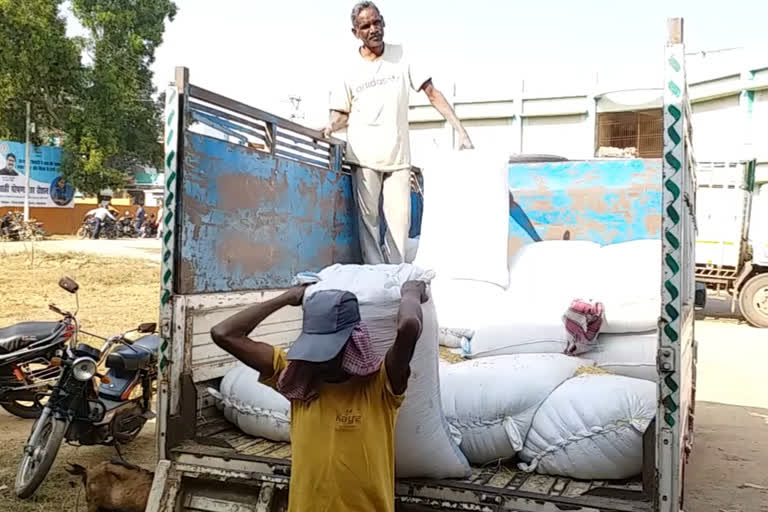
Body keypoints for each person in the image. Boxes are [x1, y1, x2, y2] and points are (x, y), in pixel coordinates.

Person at [210, 281, 428, 512]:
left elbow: (409, 327)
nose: (321, 361)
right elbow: (223, 334)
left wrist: (411, 291)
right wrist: (287, 298)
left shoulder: (379, 385)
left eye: (329, 351)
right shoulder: (299, 380)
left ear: (354, 342)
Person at [323, 1, 474, 265]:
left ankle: (395, 278)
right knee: (368, 224)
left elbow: (432, 93)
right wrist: (327, 127)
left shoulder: (402, 56)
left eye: (376, 22)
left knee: (399, 225)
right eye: (365, 26)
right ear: (355, 32)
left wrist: (460, 130)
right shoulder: (348, 69)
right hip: (364, 157)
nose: (373, 29)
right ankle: (377, 277)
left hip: (399, 157)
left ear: (384, 22)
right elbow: (341, 115)